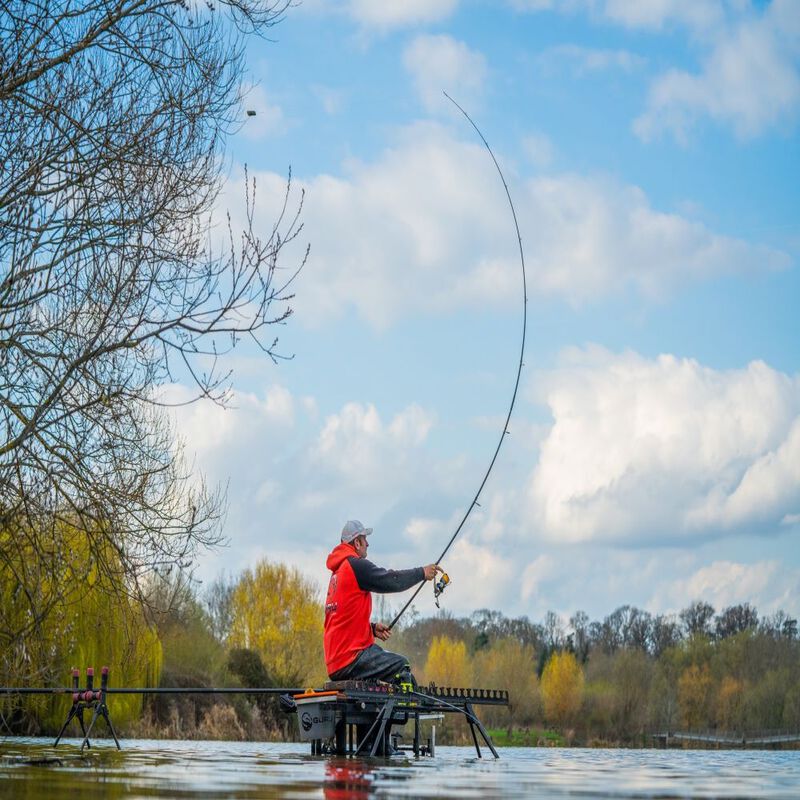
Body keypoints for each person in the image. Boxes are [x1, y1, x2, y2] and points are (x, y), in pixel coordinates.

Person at [323, 519, 441, 685]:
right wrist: (422, 572)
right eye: (365, 539)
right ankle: (411, 709)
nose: (368, 544)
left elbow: (341, 618)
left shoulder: (338, 571)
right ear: (357, 542)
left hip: (336, 661)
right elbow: (390, 580)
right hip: (351, 658)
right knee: (402, 667)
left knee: (391, 669)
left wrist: (370, 629)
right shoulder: (355, 565)